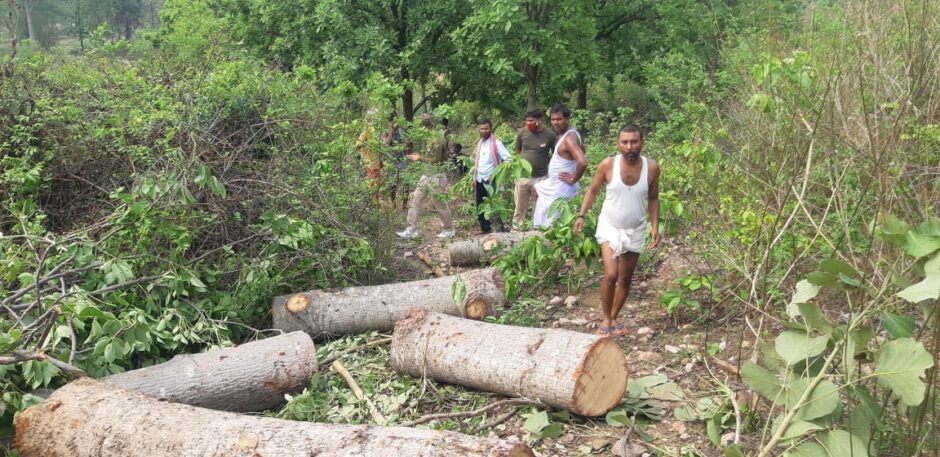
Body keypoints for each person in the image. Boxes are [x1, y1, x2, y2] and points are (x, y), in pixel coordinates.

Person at [573, 125, 661, 337]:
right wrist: (581, 215)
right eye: (624, 142)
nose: (629, 146)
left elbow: (653, 197)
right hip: (609, 226)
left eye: (634, 142)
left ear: (642, 143)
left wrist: (655, 226)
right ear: (618, 144)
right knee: (611, 274)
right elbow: (593, 190)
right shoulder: (608, 165)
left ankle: (613, 316)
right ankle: (605, 317)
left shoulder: (652, 168)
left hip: (636, 228)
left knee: (625, 278)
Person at [396, 113, 456, 239]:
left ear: (426, 126)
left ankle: (449, 229)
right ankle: (411, 229)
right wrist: (419, 156)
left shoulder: (436, 139)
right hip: (427, 173)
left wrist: (419, 158)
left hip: (437, 175)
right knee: (416, 199)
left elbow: (436, 160)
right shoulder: (429, 137)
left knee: (438, 202)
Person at [533, 104, 588, 228]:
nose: (555, 122)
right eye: (553, 119)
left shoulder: (569, 138)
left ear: (567, 119)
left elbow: (583, 161)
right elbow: (582, 151)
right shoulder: (564, 135)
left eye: (559, 119)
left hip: (562, 187)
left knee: (554, 225)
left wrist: (574, 178)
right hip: (555, 184)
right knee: (537, 188)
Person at [513, 108, 556, 229]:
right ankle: (516, 231)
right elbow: (518, 150)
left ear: (540, 120)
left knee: (538, 207)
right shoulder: (522, 133)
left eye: (531, 121)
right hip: (522, 177)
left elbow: (555, 154)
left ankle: (536, 231)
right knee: (519, 207)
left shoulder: (550, 135)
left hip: (541, 178)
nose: (528, 123)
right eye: (527, 121)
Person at [472, 119, 512, 234]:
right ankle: (485, 229)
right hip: (479, 178)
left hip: (491, 180)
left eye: (486, 128)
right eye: (482, 129)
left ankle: (499, 230)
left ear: (490, 129)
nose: (484, 131)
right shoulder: (480, 143)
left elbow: (508, 159)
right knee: (480, 204)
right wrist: (474, 178)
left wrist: (497, 172)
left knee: (495, 205)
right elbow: (478, 162)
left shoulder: (496, 143)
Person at [356, 109, 384, 197]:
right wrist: (367, 144)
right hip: (370, 163)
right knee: (372, 185)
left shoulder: (378, 129)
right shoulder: (367, 130)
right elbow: (358, 144)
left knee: (378, 184)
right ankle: (372, 204)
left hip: (378, 161)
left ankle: (376, 203)